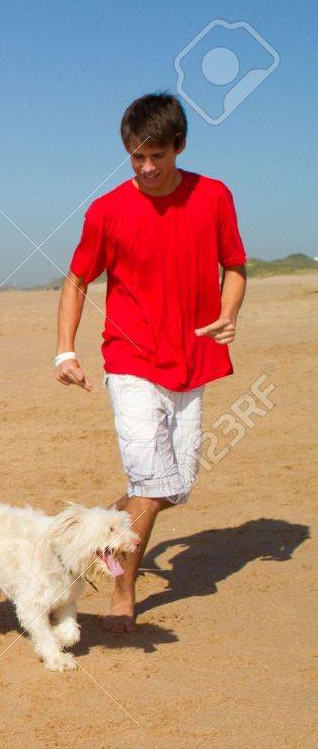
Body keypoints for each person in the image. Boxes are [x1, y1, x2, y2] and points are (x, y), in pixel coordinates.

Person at [55, 93, 247, 633]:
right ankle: (122, 592)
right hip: (131, 360)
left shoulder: (213, 196)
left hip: (194, 360)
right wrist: (65, 349)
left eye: (157, 155)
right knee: (147, 480)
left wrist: (229, 313)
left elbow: (234, 267)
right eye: (136, 157)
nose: (146, 167)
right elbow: (76, 279)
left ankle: (88, 533)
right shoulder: (108, 210)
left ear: (179, 146)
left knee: (171, 488)